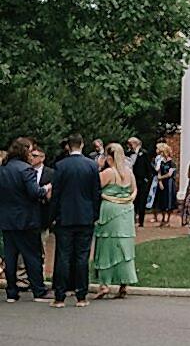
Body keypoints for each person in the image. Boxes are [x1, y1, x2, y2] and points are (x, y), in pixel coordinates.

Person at [51, 132, 101, 308]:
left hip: (65, 216)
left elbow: (55, 194)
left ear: (68, 146)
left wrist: (53, 217)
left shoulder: (60, 166)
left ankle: (59, 296)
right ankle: (81, 295)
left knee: (63, 256)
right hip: (85, 216)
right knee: (82, 256)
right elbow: (96, 194)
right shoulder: (92, 166)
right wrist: (95, 215)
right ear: (82, 145)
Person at [0, 138, 53, 303]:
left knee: (10, 256)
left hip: (7, 219)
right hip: (27, 219)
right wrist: (47, 188)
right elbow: (34, 192)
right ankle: (38, 290)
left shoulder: (3, 169)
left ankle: (11, 291)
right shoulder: (26, 170)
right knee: (32, 255)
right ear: (24, 151)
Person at [93, 143, 138, 299]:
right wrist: (128, 200)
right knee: (124, 246)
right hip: (126, 211)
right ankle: (123, 283)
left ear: (109, 157)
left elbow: (94, 188)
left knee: (107, 246)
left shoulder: (108, 173)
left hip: (110, 209)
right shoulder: (129, 173)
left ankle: (104, 284)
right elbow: (134, 190)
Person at [126, 137, 153, 228]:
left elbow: (149, 168)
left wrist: (147, 180)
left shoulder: (144, 153)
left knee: (142, 201)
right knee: (133, 201)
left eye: (131, 144)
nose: (129, 146)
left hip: (142, 181)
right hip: (130, 180)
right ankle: (131, 219)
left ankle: (141, 221)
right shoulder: (127, 154)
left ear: (136, 144)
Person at [154, 143, 177, 227]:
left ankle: (168, 219)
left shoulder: (172, 162)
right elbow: (159, 172)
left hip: (169, 183)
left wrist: (161, 178)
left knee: (169, 200)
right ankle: (163, 218)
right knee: (162, 200)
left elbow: (170, 174)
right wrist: (160, 182)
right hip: (162, 183)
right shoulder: (161, 162)